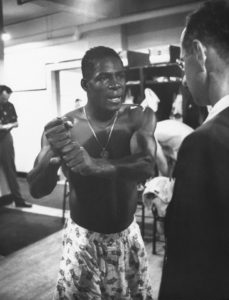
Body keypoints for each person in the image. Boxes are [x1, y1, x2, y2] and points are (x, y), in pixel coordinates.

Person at [27, 46, 157, 299]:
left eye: (119, 75)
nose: (116, 84)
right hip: (83, 239)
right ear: (85, 84)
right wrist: (51, 160)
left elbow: (146, 164)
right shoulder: (64, 127)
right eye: (104, 78)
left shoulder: (137, 118)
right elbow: (36, 188)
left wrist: (95, 165)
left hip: (126, 236)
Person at [158, 1, 229, 299]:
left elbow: (187, 269)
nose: (184, 78)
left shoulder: (204, 143)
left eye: (182, 62)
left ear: (199, 54)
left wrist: (168, 209)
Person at [0, 85, 32, 208]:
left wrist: (4, 126)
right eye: (3, 98)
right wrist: (8, 125)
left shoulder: (9, 105)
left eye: (7, 98)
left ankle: (18, 200)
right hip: (4, 135)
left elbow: (16, 123)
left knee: (10, 169)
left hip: (5, 140)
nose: (6, 101)